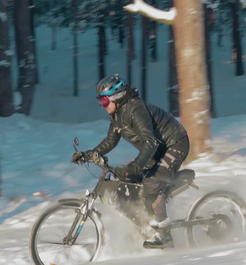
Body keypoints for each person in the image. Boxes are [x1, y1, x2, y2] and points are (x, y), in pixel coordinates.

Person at [71, 74, 190, 249]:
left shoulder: (135, 110)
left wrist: (135, 166)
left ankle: (165, 235)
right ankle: (147, 224)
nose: (101, 105)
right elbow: (111, 141)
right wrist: (89, 155)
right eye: (99, 102)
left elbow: (150, 142)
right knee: (132, 183)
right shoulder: (118, 115)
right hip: (157, 150)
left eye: (103, 101)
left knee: (151, 183)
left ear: (116, 96)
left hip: (175, 144)